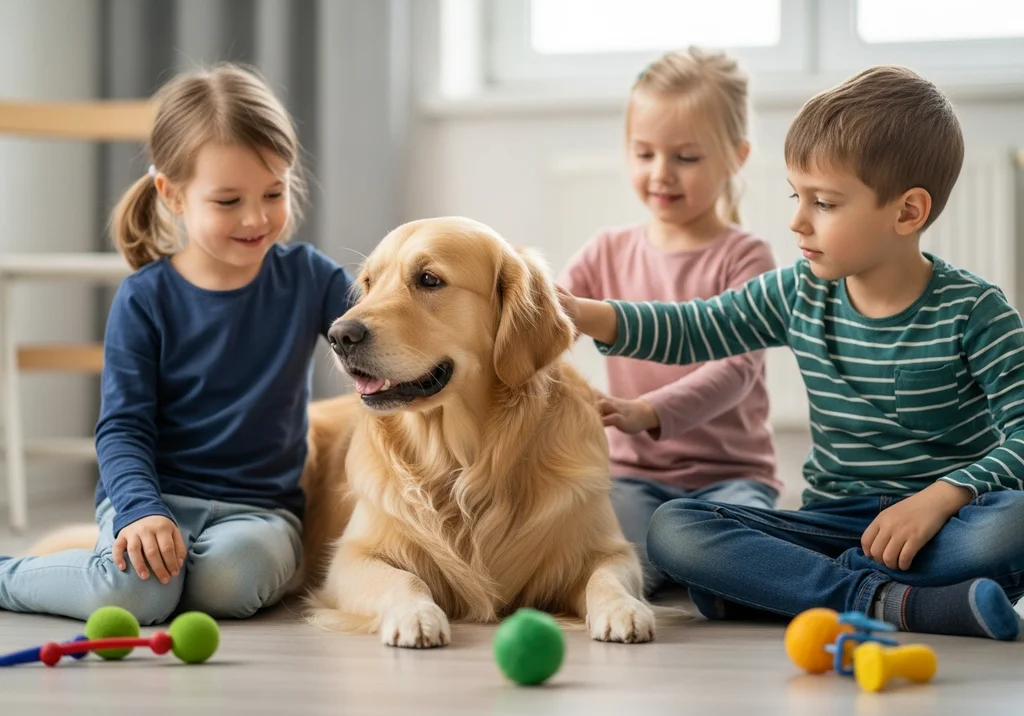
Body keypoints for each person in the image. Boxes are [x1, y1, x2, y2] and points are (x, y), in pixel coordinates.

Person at [559, 65, 1024, 640]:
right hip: (829, 523)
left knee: (1014, 523)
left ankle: (786, 589)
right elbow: (698, 326)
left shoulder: (976, 312)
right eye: (795, 195)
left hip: (940, 526)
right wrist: (583, 311)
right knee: (674, 528)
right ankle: (890, 603)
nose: (797, 221)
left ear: (907, 212)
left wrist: (940, 497)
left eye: (824, 203)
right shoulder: (798, 291)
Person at [0, 63, 354, 625]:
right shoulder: (145, 298)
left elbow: (378, 329)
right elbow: (122, 428)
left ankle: (152, 580)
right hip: (152, 499)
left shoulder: (310, 278)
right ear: (172, 194)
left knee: (233, 581)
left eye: (273, 192)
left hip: (258, 512)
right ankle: (9, 576)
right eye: (228, 201)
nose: (258, 217)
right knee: (134, 595)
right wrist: (139, 512)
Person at [558, 47, 779, 593]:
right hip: (635, 477)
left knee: (727, 539)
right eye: (645, 153)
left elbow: (736, 372)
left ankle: (719, 572)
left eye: (686, 157)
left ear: (736, 156)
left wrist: (646, 410)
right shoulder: (606, 250)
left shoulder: (746, 258)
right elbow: (550, 318)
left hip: (730, 479)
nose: (662, 173)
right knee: (604, 550)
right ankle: (706, 578)